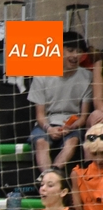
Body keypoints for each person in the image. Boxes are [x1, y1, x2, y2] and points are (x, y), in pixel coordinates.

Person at [28, 31, 91, 173]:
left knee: (72, 142)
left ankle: (54, 174)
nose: (75, 55)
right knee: (41, 142)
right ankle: (46, 177)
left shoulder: (87, 77)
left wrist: (72, 126)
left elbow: (83, 117)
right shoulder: (41, 75)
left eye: (79, 51)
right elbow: (40, 115)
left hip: (71, 125)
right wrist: (49, 129)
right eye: (70, 50)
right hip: (47, 123)